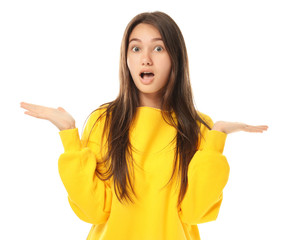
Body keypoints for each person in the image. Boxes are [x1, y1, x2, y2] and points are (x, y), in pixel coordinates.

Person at [20, 11, 268, 240]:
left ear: (175, 57)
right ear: (126, 58)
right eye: (136, 48)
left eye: (158, 48)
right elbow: (93, 212)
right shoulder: (103, 121)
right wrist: (69, 137)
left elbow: (195, 213)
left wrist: (217, 139)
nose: (145, 59)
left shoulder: (198, 127)